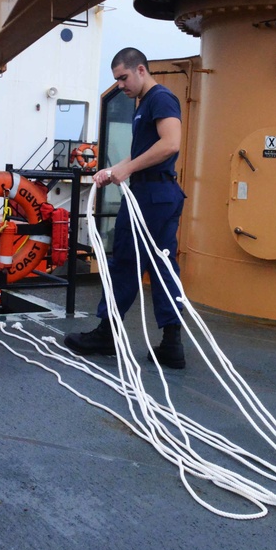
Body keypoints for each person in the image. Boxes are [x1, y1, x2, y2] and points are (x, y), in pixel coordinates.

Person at [64, 48, 187, 369]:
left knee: (125, 263)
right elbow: (146, 152)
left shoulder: (160, 99)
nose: (120, 85)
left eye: (123, 77)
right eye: (116, 79)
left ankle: (107, 333)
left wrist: (128, 169)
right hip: (158, 192)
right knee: (163, 267)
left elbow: (170, 143)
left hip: (151, 194)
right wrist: (111, 171)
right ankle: (172, 344)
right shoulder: (145, 103)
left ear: (141, 70)